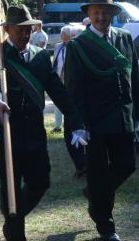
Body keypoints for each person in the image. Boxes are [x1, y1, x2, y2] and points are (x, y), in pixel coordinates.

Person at [0, 5, 87, 241]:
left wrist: (77, 120)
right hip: (8, 134)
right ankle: (15, 231)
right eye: (20, 30)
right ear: (8, 29)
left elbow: (58, 91)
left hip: (35, 134)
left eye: (29, 29)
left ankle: (12, 221)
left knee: (41, 182)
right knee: (10, 189)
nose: (26, 34)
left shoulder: (40, 56)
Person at [64, 0, 139, 241]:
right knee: (100, 173)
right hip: (95, 121)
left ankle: (94, 194)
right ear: (89, 15)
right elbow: (73, 89)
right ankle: (106, 227)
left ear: (112, 14)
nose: (101, 16)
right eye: (96, 12)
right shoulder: (78, 45)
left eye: (105, 12)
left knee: (127, 166)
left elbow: (134, 77)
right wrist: (78, 124)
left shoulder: (124, 38)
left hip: (123, 117)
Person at [52, 24, 87, 178]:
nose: (62, 37)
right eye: (62, 34)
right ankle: (80, 165)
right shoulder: (59, 47)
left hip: (81, 94)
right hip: (63, 89)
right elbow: (56, 67)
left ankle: (85, 165)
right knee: (69, 131)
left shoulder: (81, 48)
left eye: (65, 34)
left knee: (80, 129)